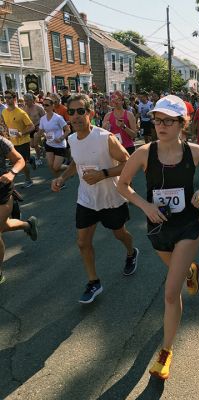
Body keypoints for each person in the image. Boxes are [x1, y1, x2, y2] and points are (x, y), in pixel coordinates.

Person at [117, 95, 199, 380]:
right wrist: (145, 205)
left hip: (188, 226)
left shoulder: (195, 152)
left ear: (182, 124)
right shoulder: (144, 153)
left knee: (171, 292)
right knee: (177, 272)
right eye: (156, 120)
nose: (160, 125)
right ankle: (190, 271)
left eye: (168, 121)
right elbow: (122, 185)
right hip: (158, 227)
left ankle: (166, 352)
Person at [51, 94, 138, 304]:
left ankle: (131, 252)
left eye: (81, 111)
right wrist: (62, 177)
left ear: (90, 113)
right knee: (82, 242)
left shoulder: (104, 137)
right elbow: (76, 163)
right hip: (86, 199)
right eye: (71, 112)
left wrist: (103, 174)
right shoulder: (71, 138)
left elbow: (128, 163)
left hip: (111, 198)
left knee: (119, 234)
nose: (76, 116)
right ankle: (94, 282)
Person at [0, 135, 38, 284]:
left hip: (2, 190)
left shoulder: (1, 142)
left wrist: (11, 173)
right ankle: (27, 225)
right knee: (3, 226)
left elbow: (20, 160)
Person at [2, 90, 35, 188]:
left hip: (23, 141)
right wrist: (5, 132)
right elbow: (5, 125)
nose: (7, 100)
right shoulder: (4, 112)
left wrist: (21, 133)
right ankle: (31, 159)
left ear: (15, 98)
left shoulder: (21, 113)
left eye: (9, 97)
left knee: (22, 163)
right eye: (5, 98)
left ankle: (28, 180)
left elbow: (31, 126)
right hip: (11, 142)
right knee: (14, 161)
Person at [37, 98, 70, 177]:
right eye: (43, 105)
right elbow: (41, 131)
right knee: (51, 166)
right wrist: (41, 134)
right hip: (49, 144)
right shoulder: (42, 119)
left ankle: (70, 168)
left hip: (59, 145)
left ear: (52, 106)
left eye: (47, 105)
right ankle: (59, 183)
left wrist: (61, 138)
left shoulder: (58, 118)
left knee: (56, 167)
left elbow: (68, 130)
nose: (45, 107)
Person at [102, 91, 137, 155]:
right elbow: (103, 135)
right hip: (114, 148)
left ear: (123, 101)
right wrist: (105, 129)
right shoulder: (107, 116)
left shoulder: (129, 115)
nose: (116, 102)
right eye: (114, 99)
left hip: (128, 147)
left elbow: (134, 135)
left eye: (118, 99)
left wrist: (124, 127)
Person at [23, 92, 45, 167]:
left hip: (38, 127)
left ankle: (38, 159)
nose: (26, 102)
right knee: (32, 145)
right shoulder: (24, 108)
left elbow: (45, 118)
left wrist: (42, 127)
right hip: (30, 128)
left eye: (27, 100)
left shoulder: (38, 107)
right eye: (25, 100)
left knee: (35, 144)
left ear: (31, 100)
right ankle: (42, 148)